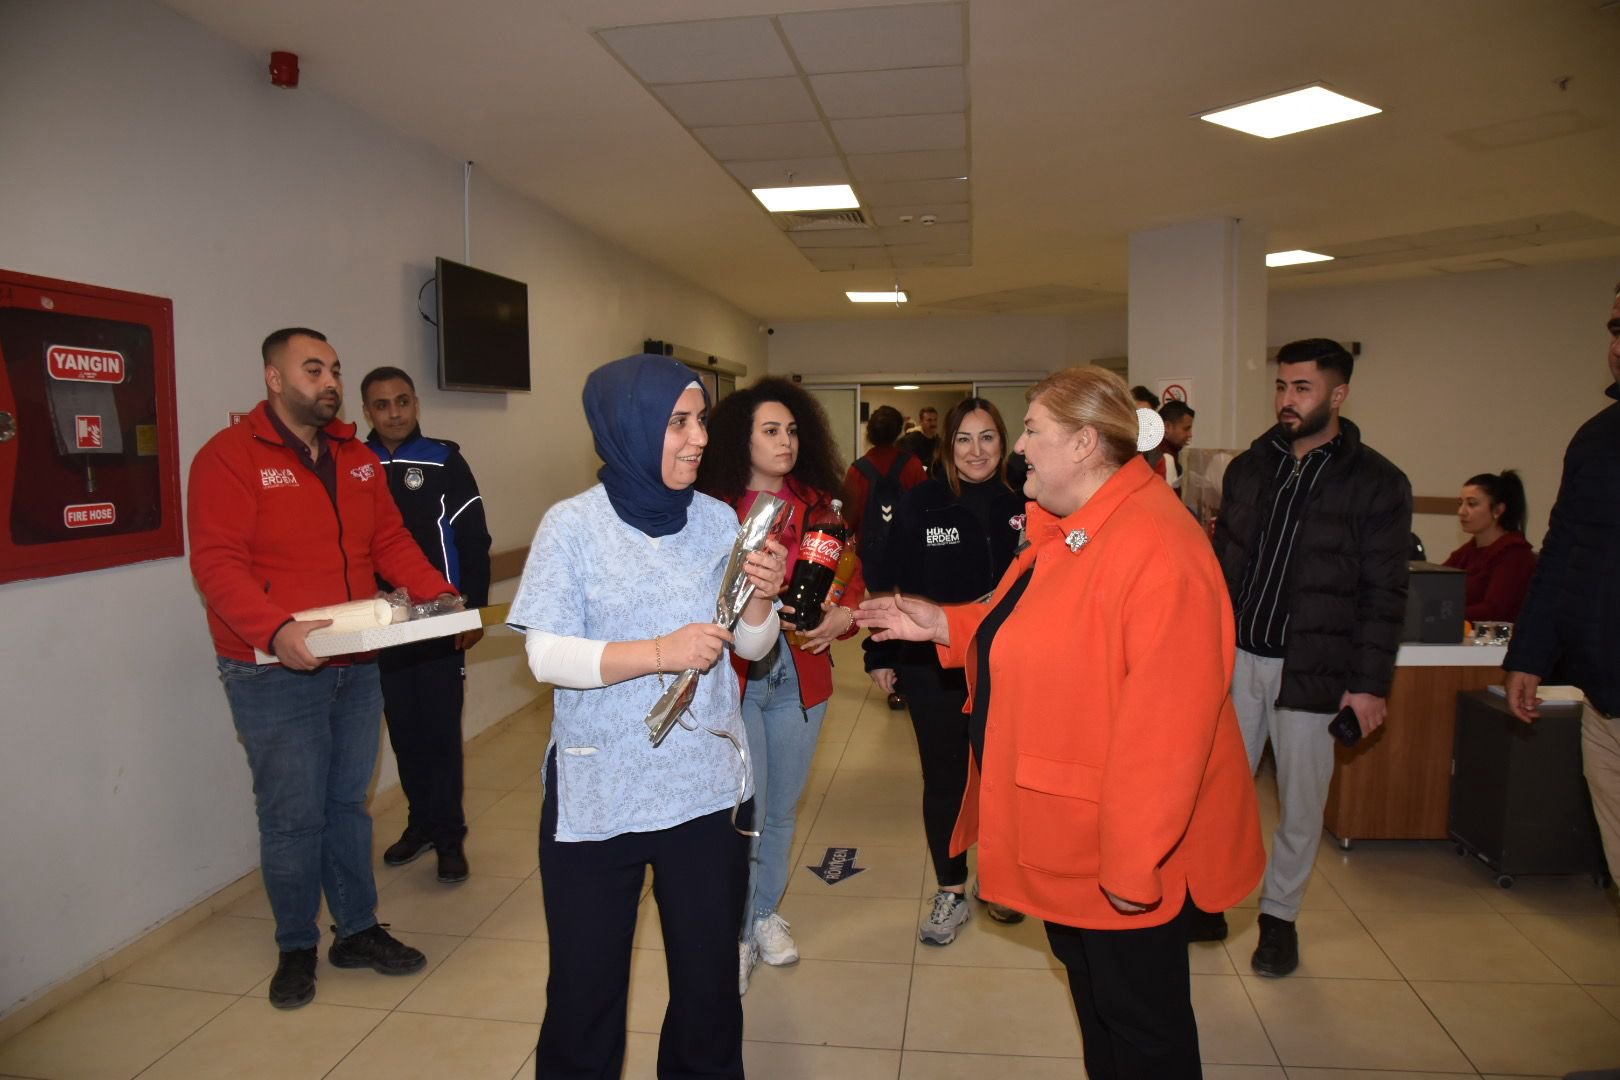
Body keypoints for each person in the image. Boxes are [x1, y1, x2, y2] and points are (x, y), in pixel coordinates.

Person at [858, 366, 1263, 1079]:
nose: (1022, 452)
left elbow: (1172, 731)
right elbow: (1031, 624)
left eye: (1035, 432)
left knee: (1144, 1030)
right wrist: (944, 624)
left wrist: (1134, 867)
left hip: (1122, 851)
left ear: (1082, 445)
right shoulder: (1079, 529)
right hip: (1075, 830)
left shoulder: (1156, 549)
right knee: (1103, 1012)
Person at [508, 354, 785, 1077]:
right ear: (627, 427)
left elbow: (748, 645)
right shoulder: (571, 527)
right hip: (601, 796)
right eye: (679, 423)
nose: (698, 439)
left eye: (700, 422)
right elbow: (547, 655)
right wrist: (660, 651)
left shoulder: (720, 519)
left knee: (706, 991)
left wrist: (762, 597)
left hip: (703, 791)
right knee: (584, 991)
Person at [187, 328, 457, 1010]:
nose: (330, 380)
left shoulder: (357, 457)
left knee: (346, 807)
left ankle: (357, 930)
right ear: (275, 379)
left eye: (335, 368)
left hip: (353, 662)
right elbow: (217, 563)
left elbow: (389, 538)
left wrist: (435, 592)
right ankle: (295, 946)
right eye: (314, 369)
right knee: (292, 816)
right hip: (270, 668)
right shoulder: (228, 457)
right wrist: (276, 630)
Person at [1208, 337, 1412, 976]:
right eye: (1281, 386)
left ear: (1339, 393)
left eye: (1302, 388)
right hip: (1236, 661)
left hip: (1313, 672)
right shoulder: (1249, 466)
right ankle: (1207, 897)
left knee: (1300, 806)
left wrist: (1369, 684)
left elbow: (1386, 594)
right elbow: (1220, 567)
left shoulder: (1378, 483)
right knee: (1214, 791)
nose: (1287, 400)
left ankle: (1279, 919)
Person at [695, 377, 864, 994]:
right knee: (749, 813)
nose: (786, 441)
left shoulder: (822, 506)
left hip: (801, 678)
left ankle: (765, 914)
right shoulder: (708, 509)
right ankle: (737, 933)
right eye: (771, 430)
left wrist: (843, 615)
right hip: (735, 681)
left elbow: (851, 584)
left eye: (792, 430)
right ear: (741, 438)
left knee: (784, 810)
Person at [863, 398, 1027, 944]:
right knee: (946, 778)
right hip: (930, 665)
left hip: (1010, 665)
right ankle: (951, 888)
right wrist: (881, 655)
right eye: (964, 439)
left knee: (1005, 778)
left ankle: (999, 881)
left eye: (987, 438)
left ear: (1003, 443)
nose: (976, 451)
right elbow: (888, 578)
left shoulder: (1027, 504)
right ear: (946, 447)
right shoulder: (921, 504)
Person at [1505, 282, 1620, 886]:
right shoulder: (1596, 440)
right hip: (1603, 699)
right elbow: (1560, 557)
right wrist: (1531, 655)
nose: (1618, 345)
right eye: (1615, 328)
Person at [361, 366, 492, 884]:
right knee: (405, 733)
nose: (393, 413)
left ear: (416, 405)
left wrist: (474, 608)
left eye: (401, 402)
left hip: (440, 621)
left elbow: (474, 539)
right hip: (378, 625)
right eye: (380, 405)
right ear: (367, 411)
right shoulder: (354, 463)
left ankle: (449, 836)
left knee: (440, 731)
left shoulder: (444, 460)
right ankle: (420, 825)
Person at [1441, 469, 1535, 623]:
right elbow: (1434, 586)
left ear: (1498, 510)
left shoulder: (1515, 555)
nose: (1461, 512)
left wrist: (1440, 615)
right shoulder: (1466, 552)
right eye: (1460, 503)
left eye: (1472, 504)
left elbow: (1494, 610)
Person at [1155, 400, 1195, 492]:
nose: (1190, 435)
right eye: (1186, 429)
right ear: (1167, 427)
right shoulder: (1165, 458)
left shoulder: (1163, 451)